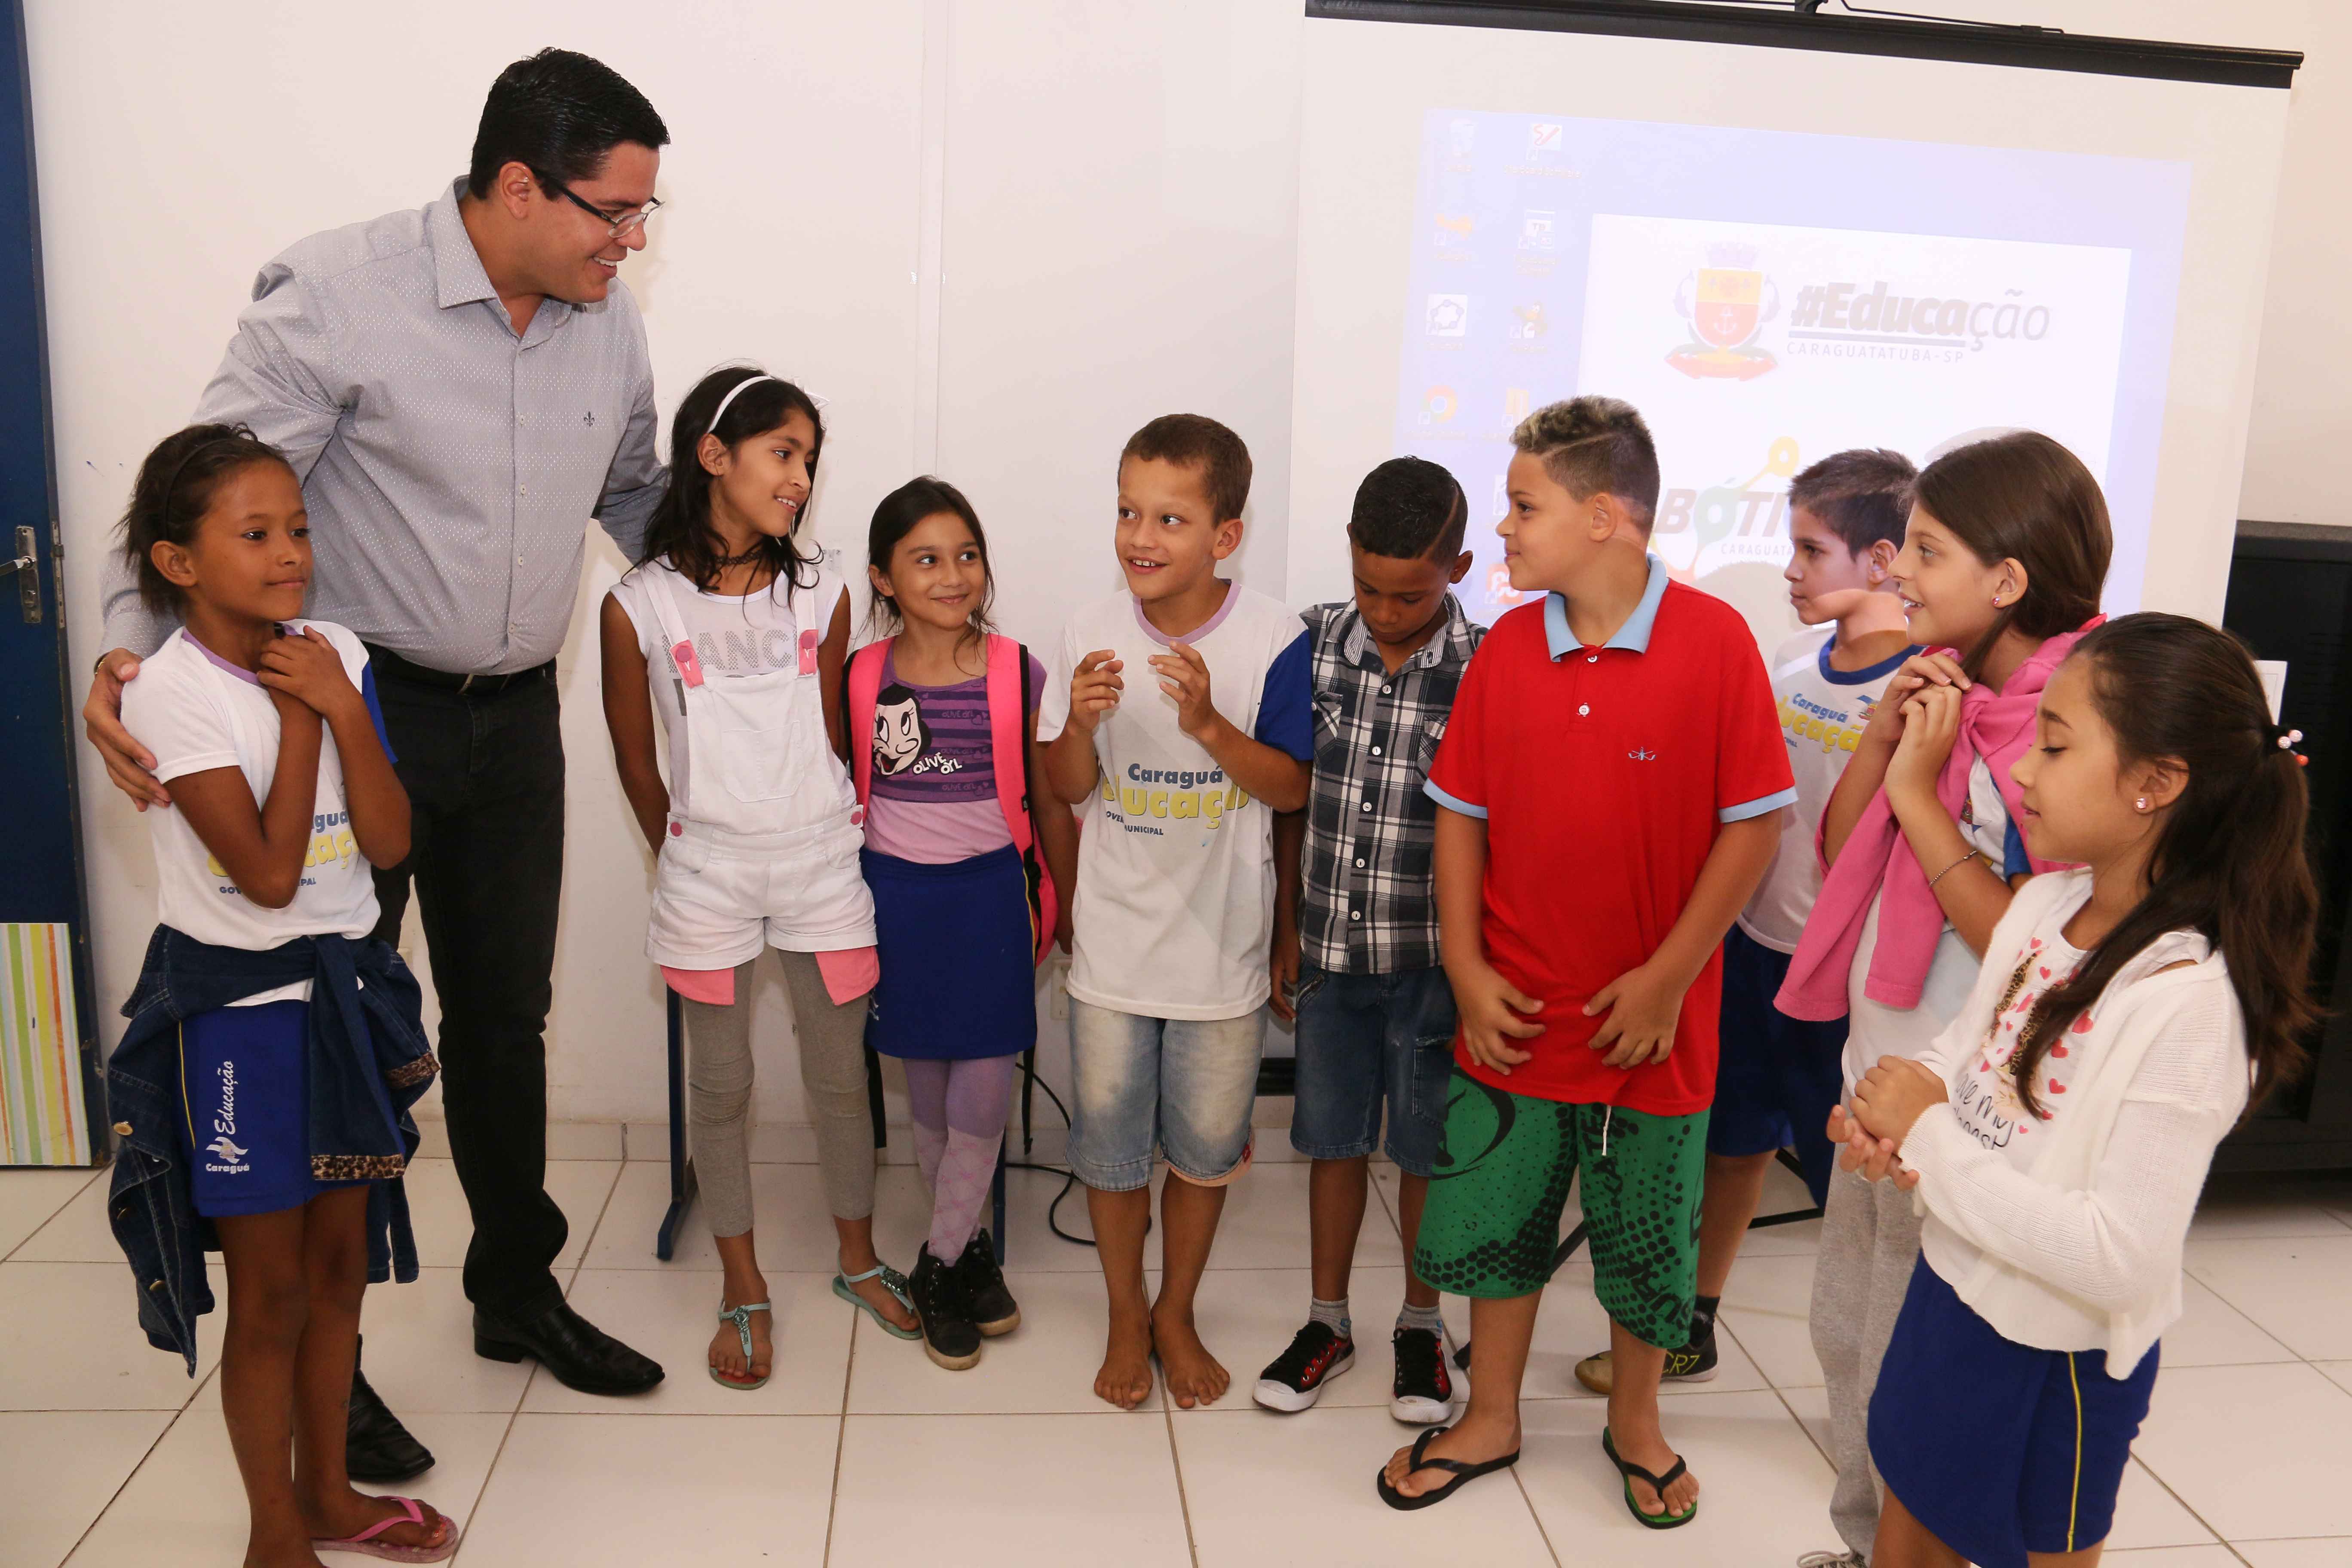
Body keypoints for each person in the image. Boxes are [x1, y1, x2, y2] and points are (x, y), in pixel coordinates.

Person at [83, 49, 674, 1467]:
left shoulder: (604, 322)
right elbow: (204, 482)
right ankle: (314, 1359)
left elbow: (642, 493)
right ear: (519, 187)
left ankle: (514, 1285)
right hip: (353, 713)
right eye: (615, 209)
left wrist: (756, 612)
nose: (632, 239)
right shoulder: (339, 292)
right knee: (323, 1028)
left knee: (500, 1021)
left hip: (516, 717)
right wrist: (125, 655)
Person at [1378, 396, 1793, 1524]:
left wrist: (1667, 978)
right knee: (1496, 1233)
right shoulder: (1507, 649)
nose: (1502, 531)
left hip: (1650, 1031)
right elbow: (1459, 816)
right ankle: (1493, 1413)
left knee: (1649, 1243)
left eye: (1523, 507)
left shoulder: (1714, 644)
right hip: (1512, 1017)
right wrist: (1464, 966)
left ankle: (1638, 1423)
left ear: (1605, 517)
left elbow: (1753, 825)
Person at [1833, 612, 2315, 1568]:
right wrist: (1905, 1103)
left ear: (2156, 784)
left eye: (2054, 745)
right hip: (1951, 1292)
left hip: (2054, 1356)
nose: (2022, 771)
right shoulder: (2049, 905)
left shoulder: (2187, 1001)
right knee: (1907, 1523)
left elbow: (2119, 1258)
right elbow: (1967, 1051)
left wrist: (1925, 1139)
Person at [100, 425, 456, 1563]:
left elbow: (391, 842)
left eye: (296, 529)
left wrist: (343, 704)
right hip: (244, 1019)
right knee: (269, 1296)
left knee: (340, 1271)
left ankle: (333, 1496)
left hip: (344, 999)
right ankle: (272, 1529)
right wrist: (304, 714)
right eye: (254, 535)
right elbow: (263, 877)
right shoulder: (169, 695)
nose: (288, 554)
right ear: (179, 564)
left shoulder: (334, 651)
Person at [1776, 430, 2112, 1568]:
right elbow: (1839, 854)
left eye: (1924, 550)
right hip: (1884, 1075)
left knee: (1916, 1376)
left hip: (1965, 1110)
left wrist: (1919, 785)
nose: (1897, 572)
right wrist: (1884, 743)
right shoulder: (1947, 693)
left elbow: (2041, 947)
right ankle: (1866, 1547)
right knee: (1849, 1338)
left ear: (2008, 581)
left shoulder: (2064, 728)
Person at [1572, 447, 1919, 1398]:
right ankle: (1694, 1322)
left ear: (1884, 561)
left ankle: (1883, 1380)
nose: (1792, 572)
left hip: (1846, 980)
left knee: (1853, 1178)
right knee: (1733, 1145)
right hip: (1753, 952)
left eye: (1812, 551)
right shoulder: (1794, 668)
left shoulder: (1923, 689)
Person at [600, 367, 913, 1388]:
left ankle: (858, 1260)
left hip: (823, 861)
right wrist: (685, 853)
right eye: (785, 453)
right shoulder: (636, 606)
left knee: (838, 1079)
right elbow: (638, 763)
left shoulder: (824, 591)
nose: (802, 478)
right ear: (713, 456)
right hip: (706, 877)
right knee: (722, 1086)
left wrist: (830, 825)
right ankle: (742, 1284)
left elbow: (839, 733)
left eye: (810, 460)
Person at [1038, 414, 1314, 1410]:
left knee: (1203, 1156)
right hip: (1115, 947)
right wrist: (1080, 722)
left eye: (1169, 517)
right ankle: (1124, 1311)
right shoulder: (1087, 629)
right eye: (1126, 511)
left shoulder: (1275, 637)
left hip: (1222, 956)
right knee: (1112, 1153)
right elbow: (1067, 784)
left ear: (1224, 537)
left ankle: (1177, 1309)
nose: (1140, 537)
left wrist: (1204, 723)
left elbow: (1289, 790)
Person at [1255, 456, 1482, 1423]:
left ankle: (1422, 1327)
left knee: (1426, 1148)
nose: (1385, 612)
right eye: (1367, 588)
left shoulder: (1489, 667)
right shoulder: (1311, 646)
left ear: (1459, 568)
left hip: (1433, 959)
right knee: (1332, 1140)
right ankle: (1328, 1320)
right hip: (1331, 952)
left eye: (1411, 594)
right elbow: (1291, 802)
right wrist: (1284, 931)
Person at [842, 476, 1081, 1370]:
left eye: (967, 555)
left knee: (984, 1080)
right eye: (927, 560)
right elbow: (845, 795)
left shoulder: (1019, 671)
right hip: (895, 901)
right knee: (930, 1089)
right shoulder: (862, 677)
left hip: (990, 898)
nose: (952, 576)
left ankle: (937, 1264)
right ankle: (968, 1249)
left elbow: (1053, 800)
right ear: (884, 579)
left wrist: (1069, 897)